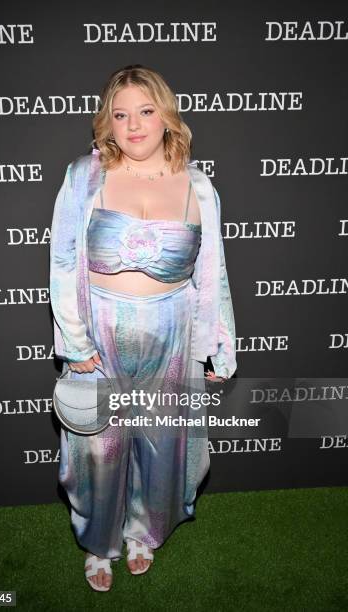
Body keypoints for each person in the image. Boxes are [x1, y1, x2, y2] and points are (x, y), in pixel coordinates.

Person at [49, 64, 237, 592]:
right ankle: (98, 543)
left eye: (146, 111)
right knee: (98, 450)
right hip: (100, 332)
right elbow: (63, 263)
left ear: (167, 117)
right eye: (121, 113)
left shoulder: (198, 185)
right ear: (106, 122)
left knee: (161, 444)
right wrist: (75, 341)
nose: (134, 125)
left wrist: (216, 344)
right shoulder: (83, 177)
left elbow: (212, 272)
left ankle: (140, 533)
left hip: (172, 332)